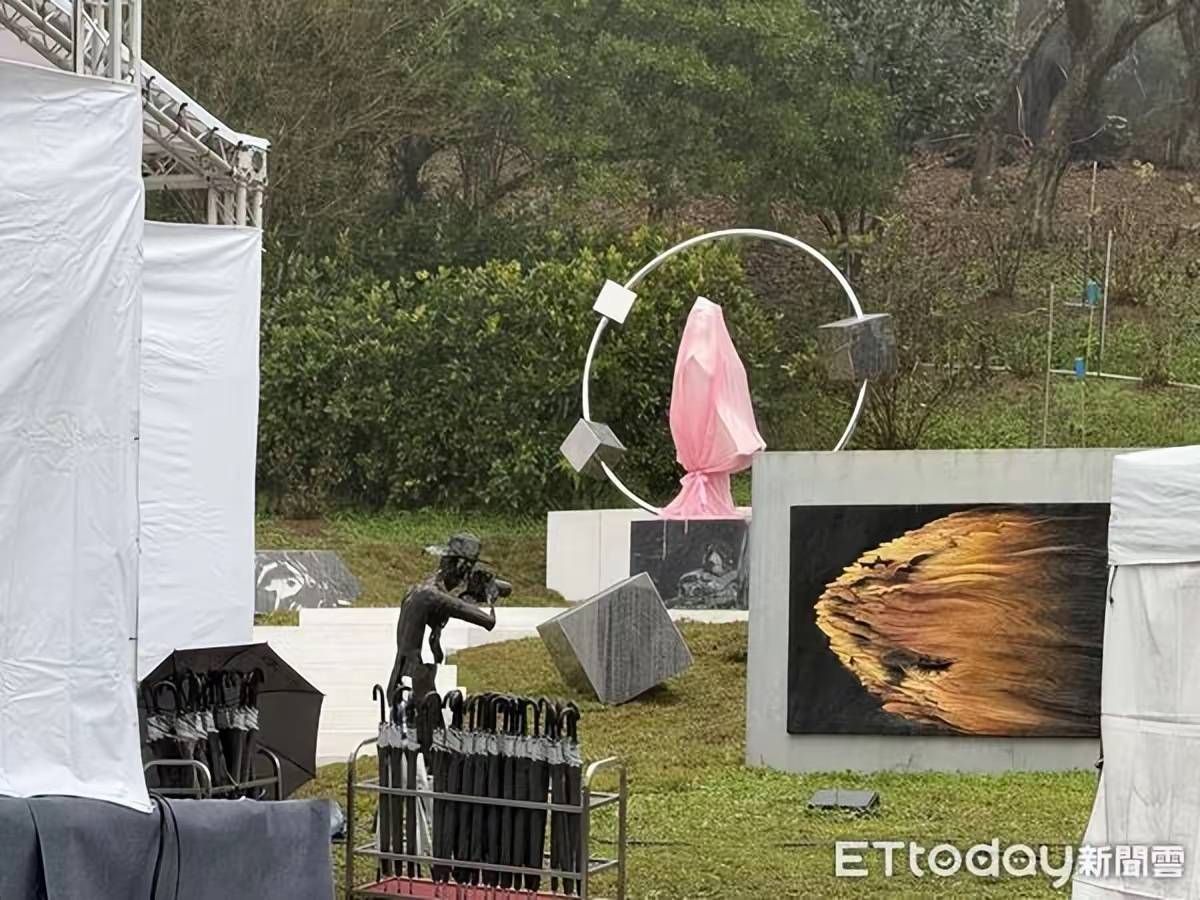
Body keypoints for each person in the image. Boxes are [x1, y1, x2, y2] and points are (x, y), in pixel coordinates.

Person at [385, 533, 500, 704]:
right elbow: (487, 621)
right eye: (466, 571)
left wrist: (481, 587)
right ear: (459, 566)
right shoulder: (432, 596)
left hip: (403, 675)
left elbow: (504, 588)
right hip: (415, 679)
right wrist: (490, 598)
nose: (464, 578)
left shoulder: (420, 590)